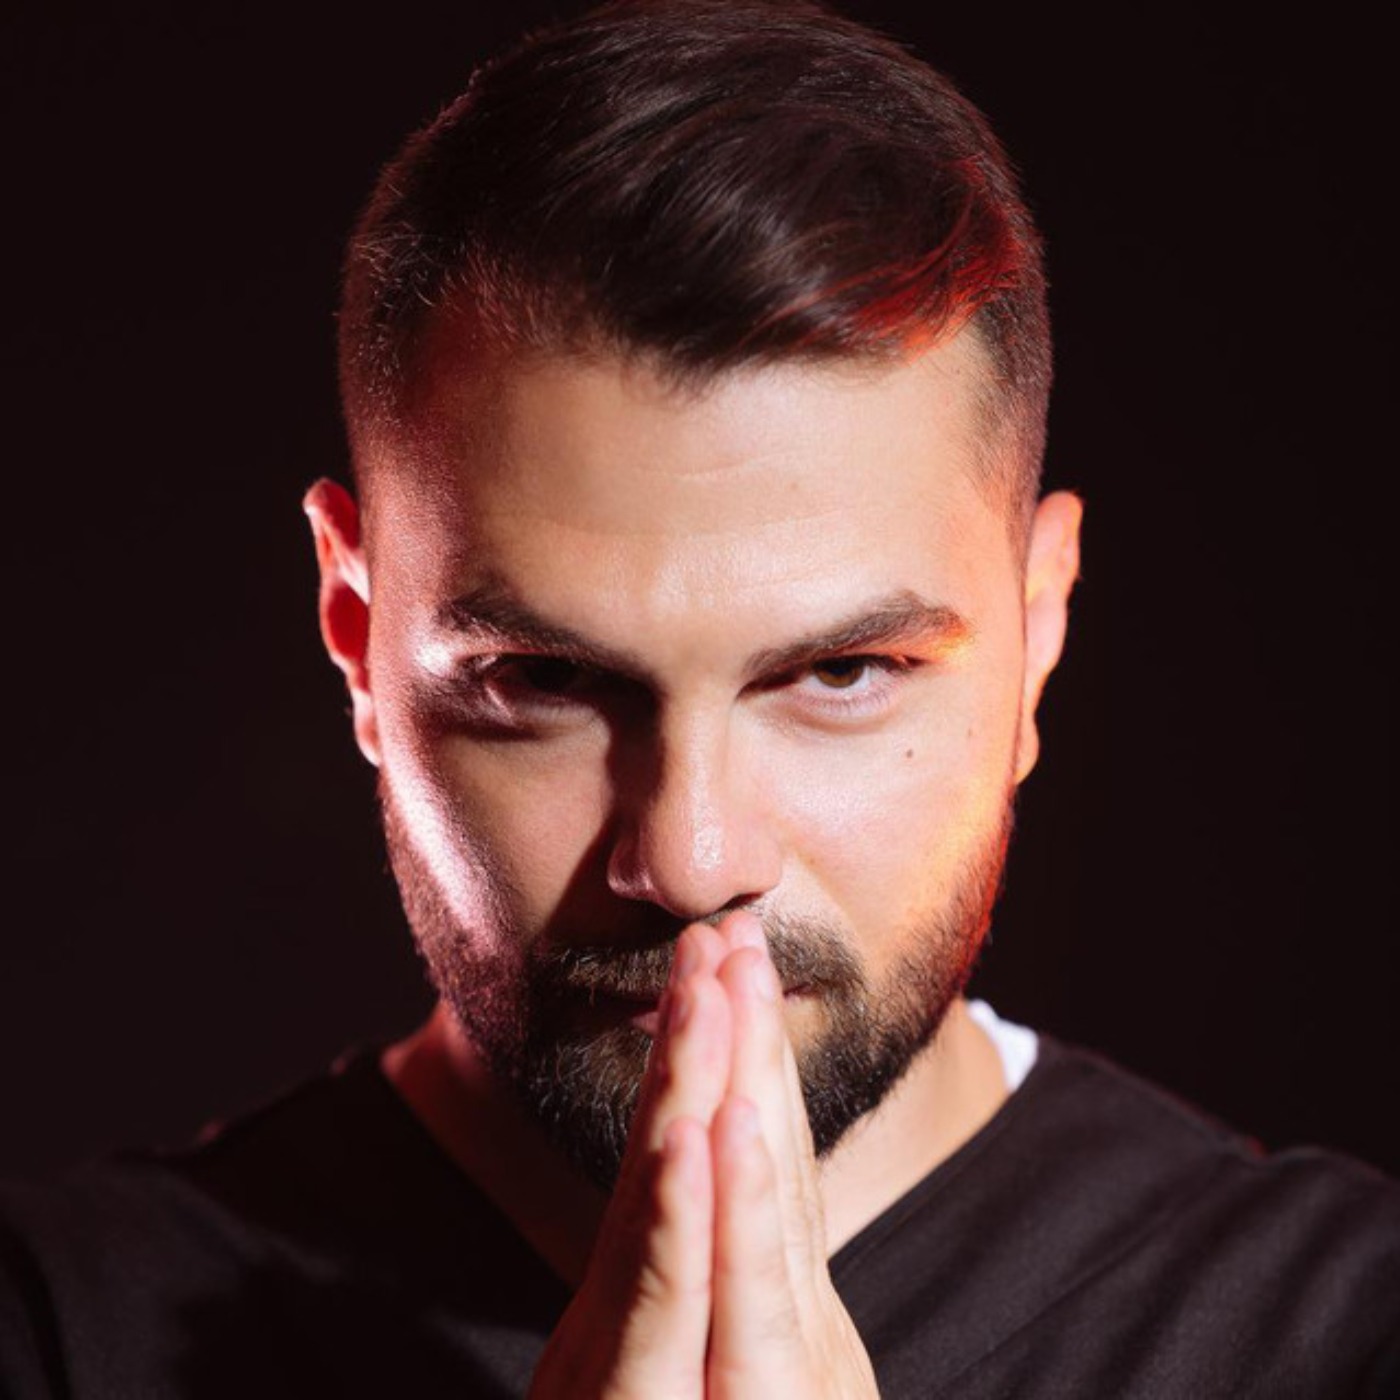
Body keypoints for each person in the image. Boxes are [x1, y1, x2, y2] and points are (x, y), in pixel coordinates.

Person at [2, 1, 1396, 1395]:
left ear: (1039, 636)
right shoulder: (56, 1339)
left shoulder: (1345, 1340)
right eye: (547, 679)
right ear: (358, 638)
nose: (692, 860)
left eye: (841, 672)